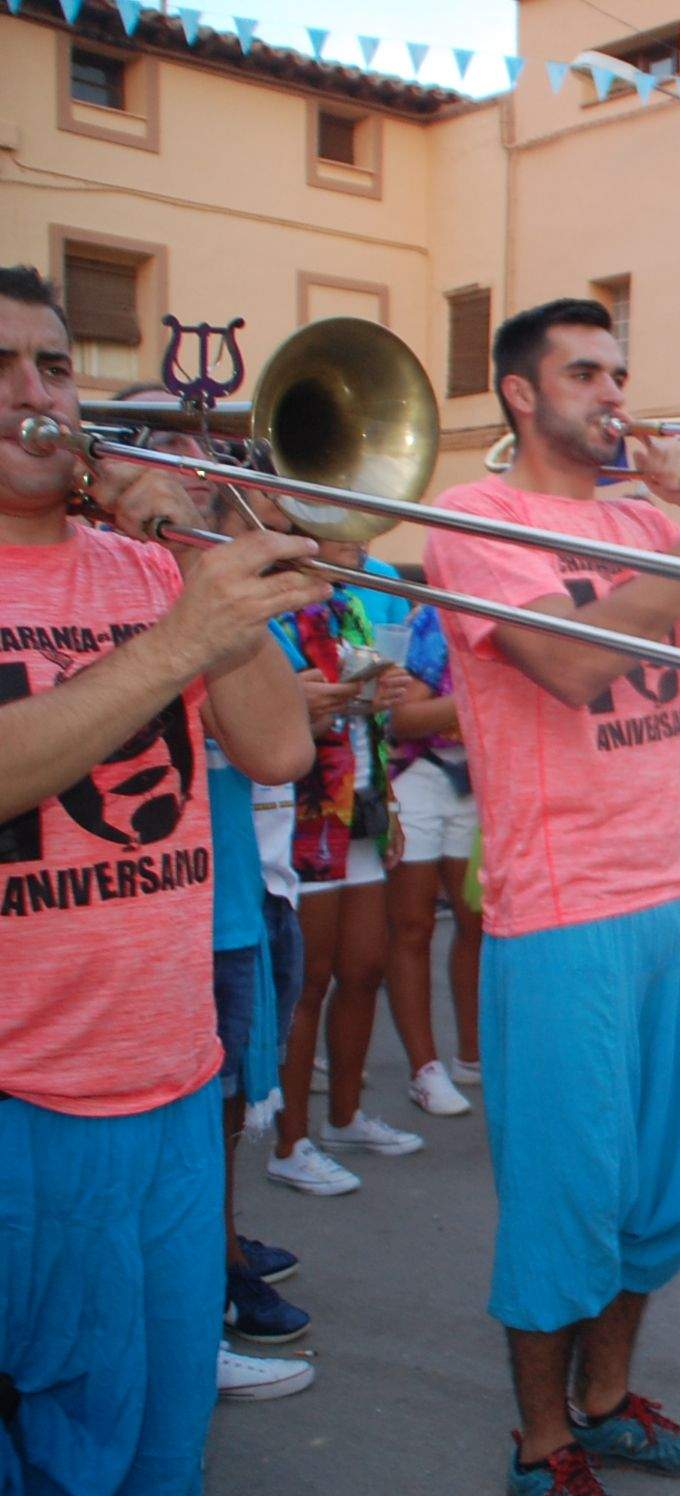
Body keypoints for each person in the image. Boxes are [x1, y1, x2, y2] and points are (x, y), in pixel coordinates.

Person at [425, 297, 680, 1493]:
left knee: (658, 1190)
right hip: (562, 913)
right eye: (583, 371)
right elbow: (572, 663)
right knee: (564, 1195)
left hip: (670, 897)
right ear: (520, 393)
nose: (612, 391)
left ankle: (605, 1403)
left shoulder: (653, 518)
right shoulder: (472, 517)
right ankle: (541, 1442)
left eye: (619, 370)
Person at [0, 264, 322, 1488]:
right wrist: (177, 643)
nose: (35, 394)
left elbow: (280, 745)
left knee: (159, 1440)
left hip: (171, 1080)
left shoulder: (145, 567)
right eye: (1, 368)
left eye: (55, 366)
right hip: (22, 1096)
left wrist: (196, 555)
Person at [264, 511, 421, 1196]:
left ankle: (346, 1115)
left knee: (365, 968)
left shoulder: (350, 604)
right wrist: (344, 697)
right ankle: (289, 1142)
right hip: (305, 812)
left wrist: (382, 696)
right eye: (341, 525)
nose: (360, 535)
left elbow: (366, 702)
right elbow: (275, 708)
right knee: (310, 982)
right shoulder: (272, 609)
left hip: (361, 802)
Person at [385, 601, 484, 1111]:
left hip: (481, 781)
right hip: (417, 778)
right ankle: (424, 1069)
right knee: (413, 925)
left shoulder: (528, 611)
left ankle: (473, 1056)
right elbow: (401, 718)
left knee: (478, 921)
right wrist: (480, 701)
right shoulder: (437, 620)